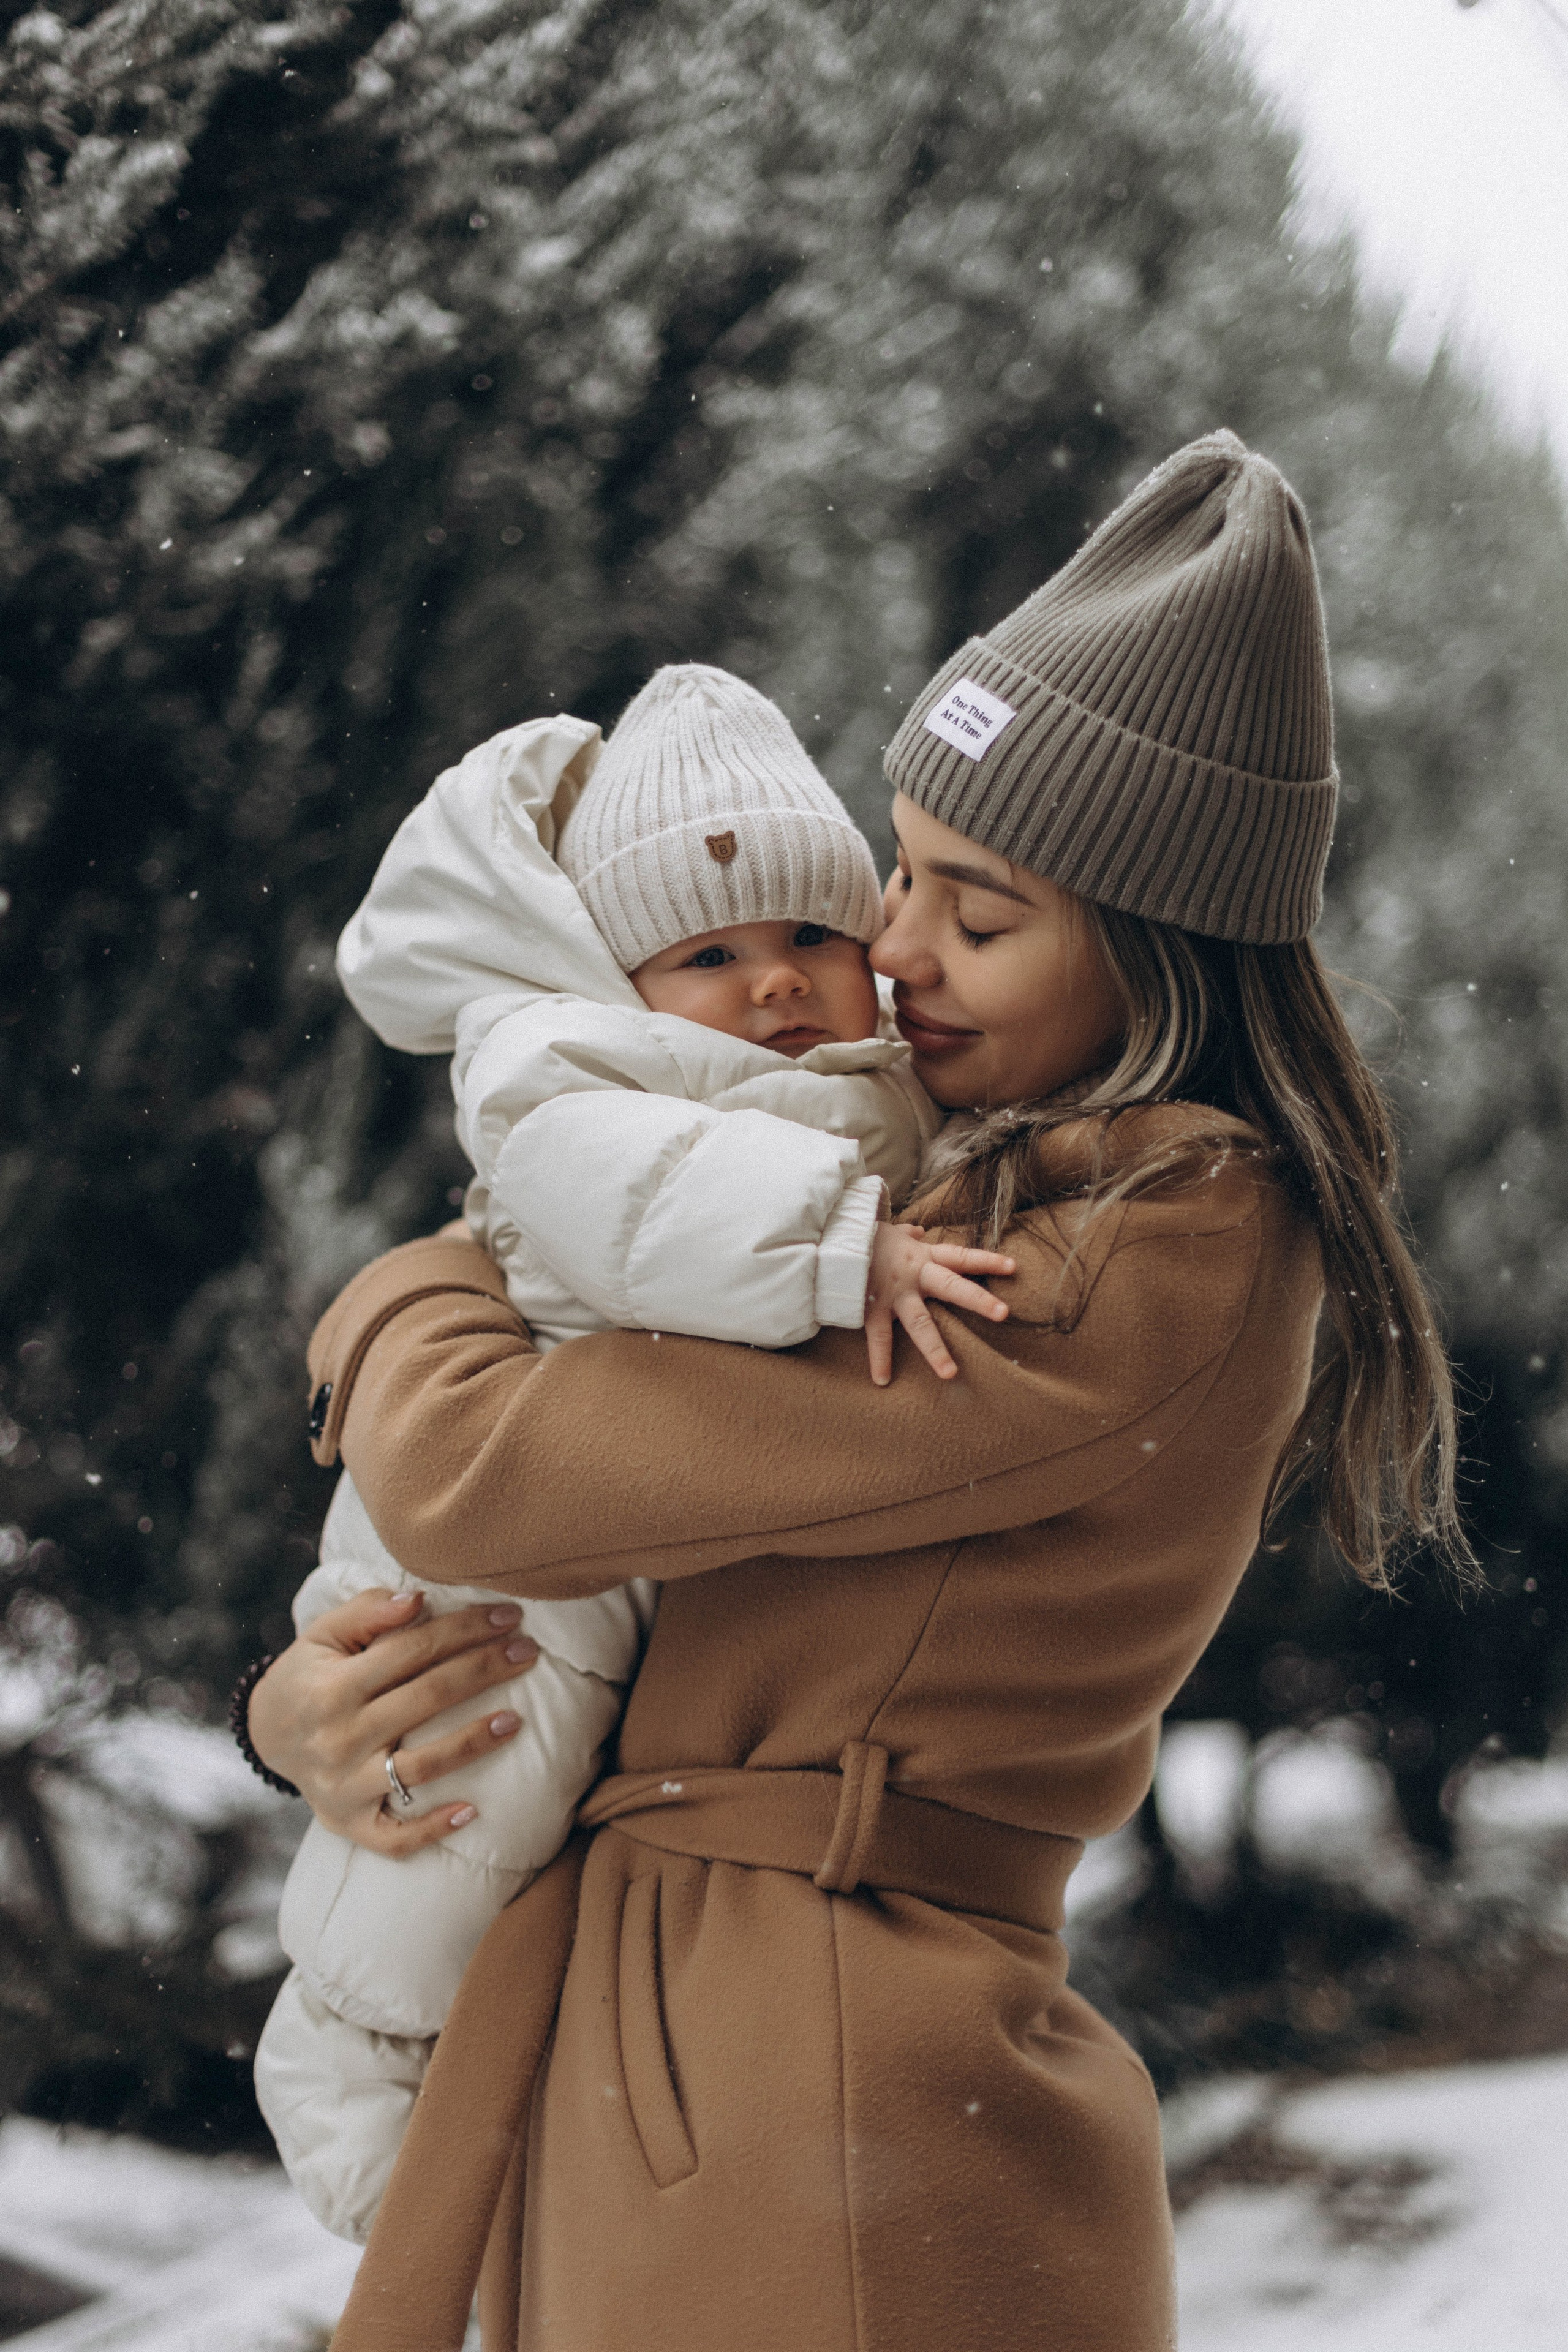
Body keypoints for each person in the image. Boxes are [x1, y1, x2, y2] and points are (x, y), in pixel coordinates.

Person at [246, 431, 1466, 2352]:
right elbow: (582, 1549)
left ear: (1158, 954)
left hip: (822, 2106)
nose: (889, 956)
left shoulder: (1131, 1259)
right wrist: (332, 1707)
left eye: (977, 916)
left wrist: (392, 1295)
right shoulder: (931, 1184)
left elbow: (500, 1467)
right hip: (699, 2066)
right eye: (897, 874)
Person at [254, 663, 1017, 2243]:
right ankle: (356, 2070)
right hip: (513, 1524)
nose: (776, 985)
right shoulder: (580, 1063)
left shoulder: (884, 1093)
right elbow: (631, 1193)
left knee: (513, 1812)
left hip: (608, 1510)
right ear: (621, 973)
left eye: (816, 936)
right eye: (711, 954)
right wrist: (845, 1245)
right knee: (466, 1796)